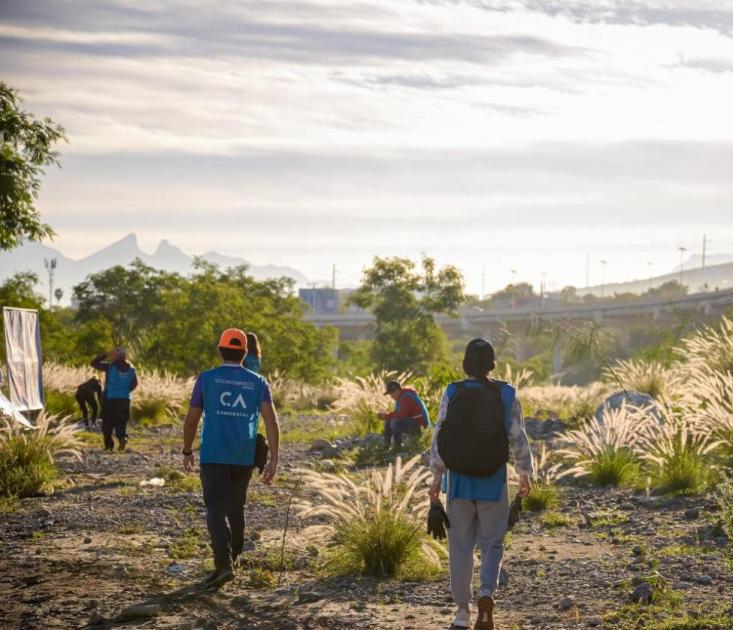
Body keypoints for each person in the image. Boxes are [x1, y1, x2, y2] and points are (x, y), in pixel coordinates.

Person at [429, 339, 534, 630]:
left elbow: (439, 437)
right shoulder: (506, 393)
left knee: (460, 546)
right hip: (493, 480)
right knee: (492, 543)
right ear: (491, 365)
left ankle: (462, 613)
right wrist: (524, 474)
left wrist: (435, 479)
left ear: (465, 364)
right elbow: (517, 436)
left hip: (459, 481)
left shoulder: (453, 391)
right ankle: (487, 595)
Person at [182, 328, 280, 588]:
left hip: (213, 455)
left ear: (220, 350)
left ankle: (223, 564)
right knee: (237, 507)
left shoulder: (206, 379)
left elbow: (192, 420)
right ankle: (234, 559)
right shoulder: (258, 382)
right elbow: (271, 420)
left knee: (215, 507)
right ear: (245, 353)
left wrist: (187, 450)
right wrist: (274, 458)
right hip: (243, 455)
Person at [91, 348, 138, 451]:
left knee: (107, 423)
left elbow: (93, 363)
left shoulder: (110, 366)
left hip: (109, 399)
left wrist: (106, 354)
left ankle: (109, 446)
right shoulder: (131, 369)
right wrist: (124, 391)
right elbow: (135, 384)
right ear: (125, 356)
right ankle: (123, 438)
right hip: (125, 399)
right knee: (121, 423)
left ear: (115, 357)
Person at [378, 380, 431, 449]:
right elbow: (398, 414)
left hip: (422, 427)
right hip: (415, 423)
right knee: (389, 421)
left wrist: (386, 416)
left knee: (394, 421)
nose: (391, 396)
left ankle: (398, 447)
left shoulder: (406, 397)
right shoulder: (401, 398)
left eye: (391, 393)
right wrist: (386, 416)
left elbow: (402, 415)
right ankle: (386, 446)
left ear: (396, 390)